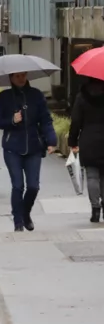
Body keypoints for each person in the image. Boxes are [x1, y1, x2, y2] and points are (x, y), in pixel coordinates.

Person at [0, 72, 58, 232]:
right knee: (17, 186)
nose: (21, 79)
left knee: (33, 186)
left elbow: (46, 120)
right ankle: (18, 222)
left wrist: (51, 140)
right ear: (11, 78)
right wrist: (12, 120)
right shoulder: (4, 97)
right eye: (17, 76)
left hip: (34, 147)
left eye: (23, 75)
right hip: (12, 148)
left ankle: (25, 212)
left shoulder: (36, 95)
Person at [67, 78, 104, 223]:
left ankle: (95, 210)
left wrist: (72, 140)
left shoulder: (82, 96)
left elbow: (76, 120)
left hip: (89, 140)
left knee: (92, 176)